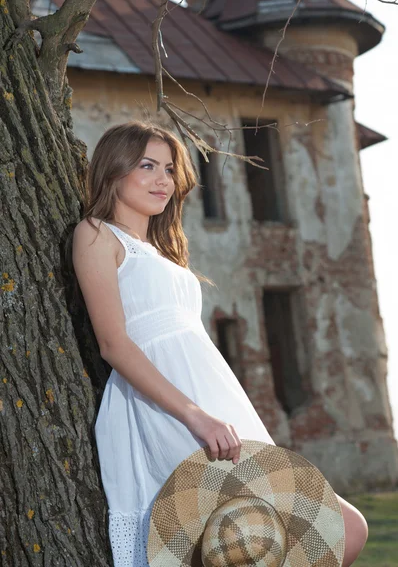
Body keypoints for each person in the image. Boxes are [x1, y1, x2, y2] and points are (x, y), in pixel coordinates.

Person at [72, 120, 368, 567]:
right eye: (147, 165)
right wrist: (197, 417)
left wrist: (215, 414)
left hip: (217, 406)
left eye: (170, 169)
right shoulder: (96, 234)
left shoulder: (161, 250)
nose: (163, 180)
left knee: (334, 530)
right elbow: (115, 344)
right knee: (212, 546)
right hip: (167, 411)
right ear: (113, 170)